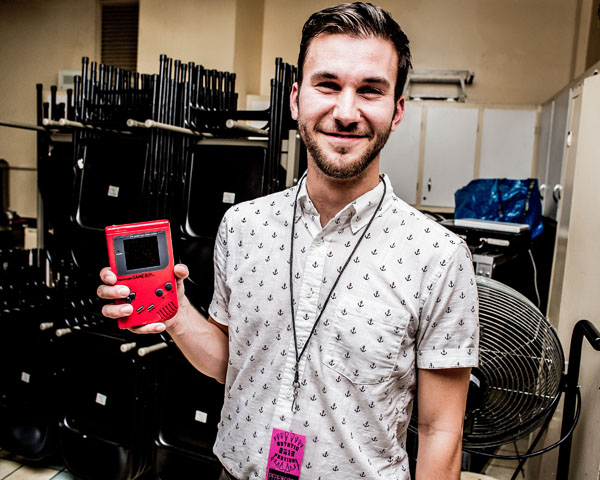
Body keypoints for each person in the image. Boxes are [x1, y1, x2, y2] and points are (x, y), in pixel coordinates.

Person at [98, 3, 479, 479]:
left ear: (397, 111)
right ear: (296, 99)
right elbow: (230, 363)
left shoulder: (438, 257)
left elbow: (441, 430)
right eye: (328, 84)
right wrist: (173, 311)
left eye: (370, 91)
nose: (345, 111)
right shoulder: (243, 227)